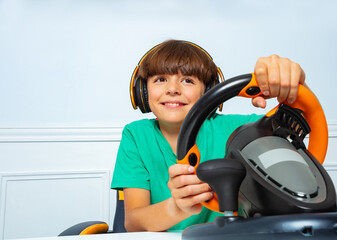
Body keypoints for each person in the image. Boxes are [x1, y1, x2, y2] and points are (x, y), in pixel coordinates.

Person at [111, 39, 307, 232]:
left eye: (187, 80)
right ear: (143, 91)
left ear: (209, 91)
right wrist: (177, 207)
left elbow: (299, 121)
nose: (172, 89)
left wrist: (290, 83)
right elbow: (133, 223)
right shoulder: (136, 135)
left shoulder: (238, 128)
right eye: (160, 79)